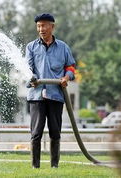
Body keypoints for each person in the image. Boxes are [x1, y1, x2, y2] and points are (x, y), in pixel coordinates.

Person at [25, 13, 76, 168]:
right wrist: (31, 79)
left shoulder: (63, 47)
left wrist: (67, 77)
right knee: (36, 134)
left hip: (56, 95)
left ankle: (54, 166)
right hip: (36, 95)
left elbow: (71, 67)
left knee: (55, 132)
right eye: (39, 26)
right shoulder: (31, 47)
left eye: (44, 25)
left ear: (52, 27)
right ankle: (35, 166)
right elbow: (27, 70)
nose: (41, 29)